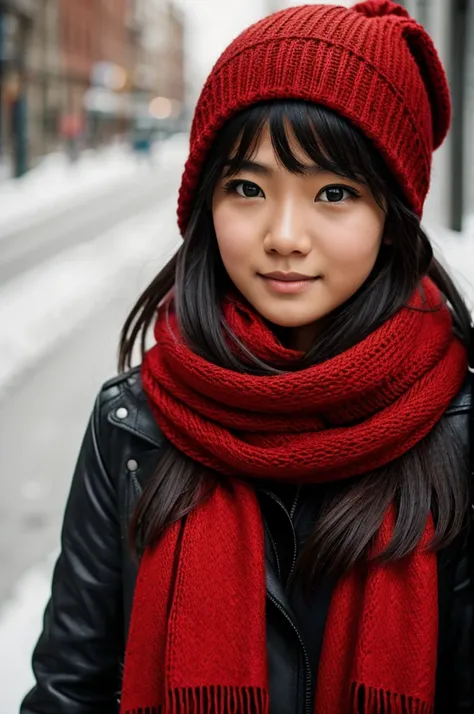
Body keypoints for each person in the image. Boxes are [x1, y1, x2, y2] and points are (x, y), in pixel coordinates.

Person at [21, 1, 473, 713]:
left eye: (333, 192)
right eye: (247, 188)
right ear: (207, 204)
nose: (284, 235)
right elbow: (68, 689)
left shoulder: (459, 428)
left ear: (392, 217)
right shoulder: (133, 424)